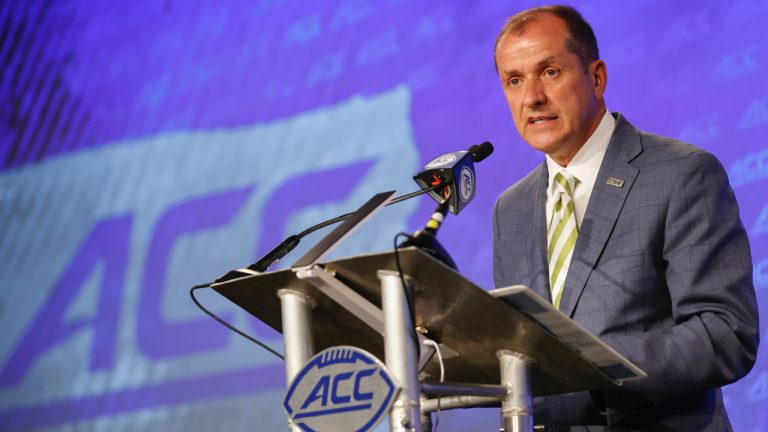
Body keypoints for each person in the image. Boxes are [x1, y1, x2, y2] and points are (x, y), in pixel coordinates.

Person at [491, 5, 759, 431]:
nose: (532, 98)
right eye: (515, 80)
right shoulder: (511, 208)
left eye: (550, 72)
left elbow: (726, 334)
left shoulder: (682, 173)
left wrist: (595, 367)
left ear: (596, 77)